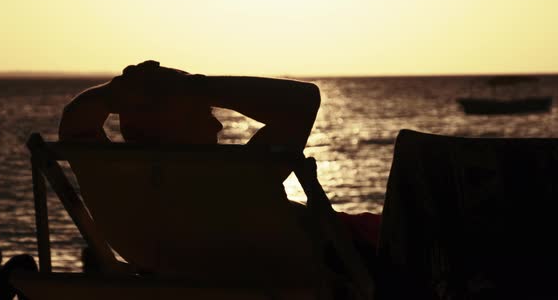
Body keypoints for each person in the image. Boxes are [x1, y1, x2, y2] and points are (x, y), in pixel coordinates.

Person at [59, 60, 380, 272]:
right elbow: (304, 99)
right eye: (205, 113)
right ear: (178, 126)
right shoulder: (232, 184)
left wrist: (120, 91)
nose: (218, 127)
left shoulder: (115, 191)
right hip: (356, 255)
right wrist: (193, 85)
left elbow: (76, 119)